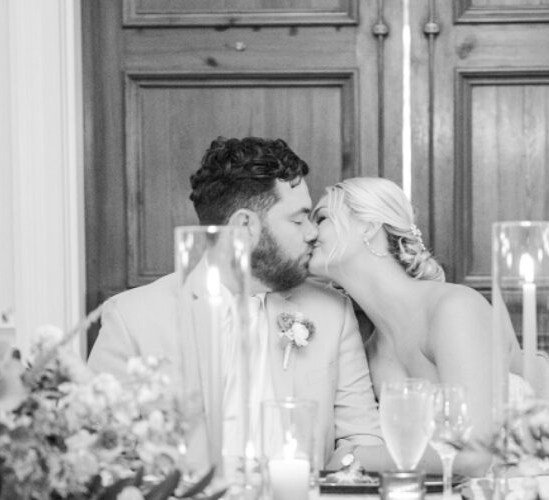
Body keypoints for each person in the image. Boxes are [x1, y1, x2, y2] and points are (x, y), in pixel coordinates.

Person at [88, 137, 391, 473]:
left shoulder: (332, 312)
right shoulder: (133, 318)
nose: (312, 233)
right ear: (245, 226)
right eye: (298, 219)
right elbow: (100, 455)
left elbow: (363, 439)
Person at [309, 177, 531, 477]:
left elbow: (476, 455)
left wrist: (355, 457)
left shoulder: (453, 309)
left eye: (321, 217)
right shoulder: (369, 351)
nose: (309, 232)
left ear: (369, 226)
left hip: (532, 492)